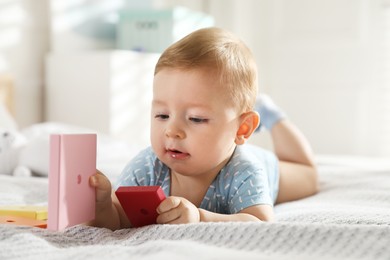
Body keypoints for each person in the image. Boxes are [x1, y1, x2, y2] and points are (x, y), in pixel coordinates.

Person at [88, 27, 318, 230]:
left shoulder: (245, 170)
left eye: (196, 118)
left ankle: (273, 116)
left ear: (242, 129)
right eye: (162, 115)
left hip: (267, 168)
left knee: (307, 175)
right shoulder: (146, 168)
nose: (172, 130)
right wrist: (102, 206)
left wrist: (200, 217)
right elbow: (119, 219)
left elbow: (259, 223)